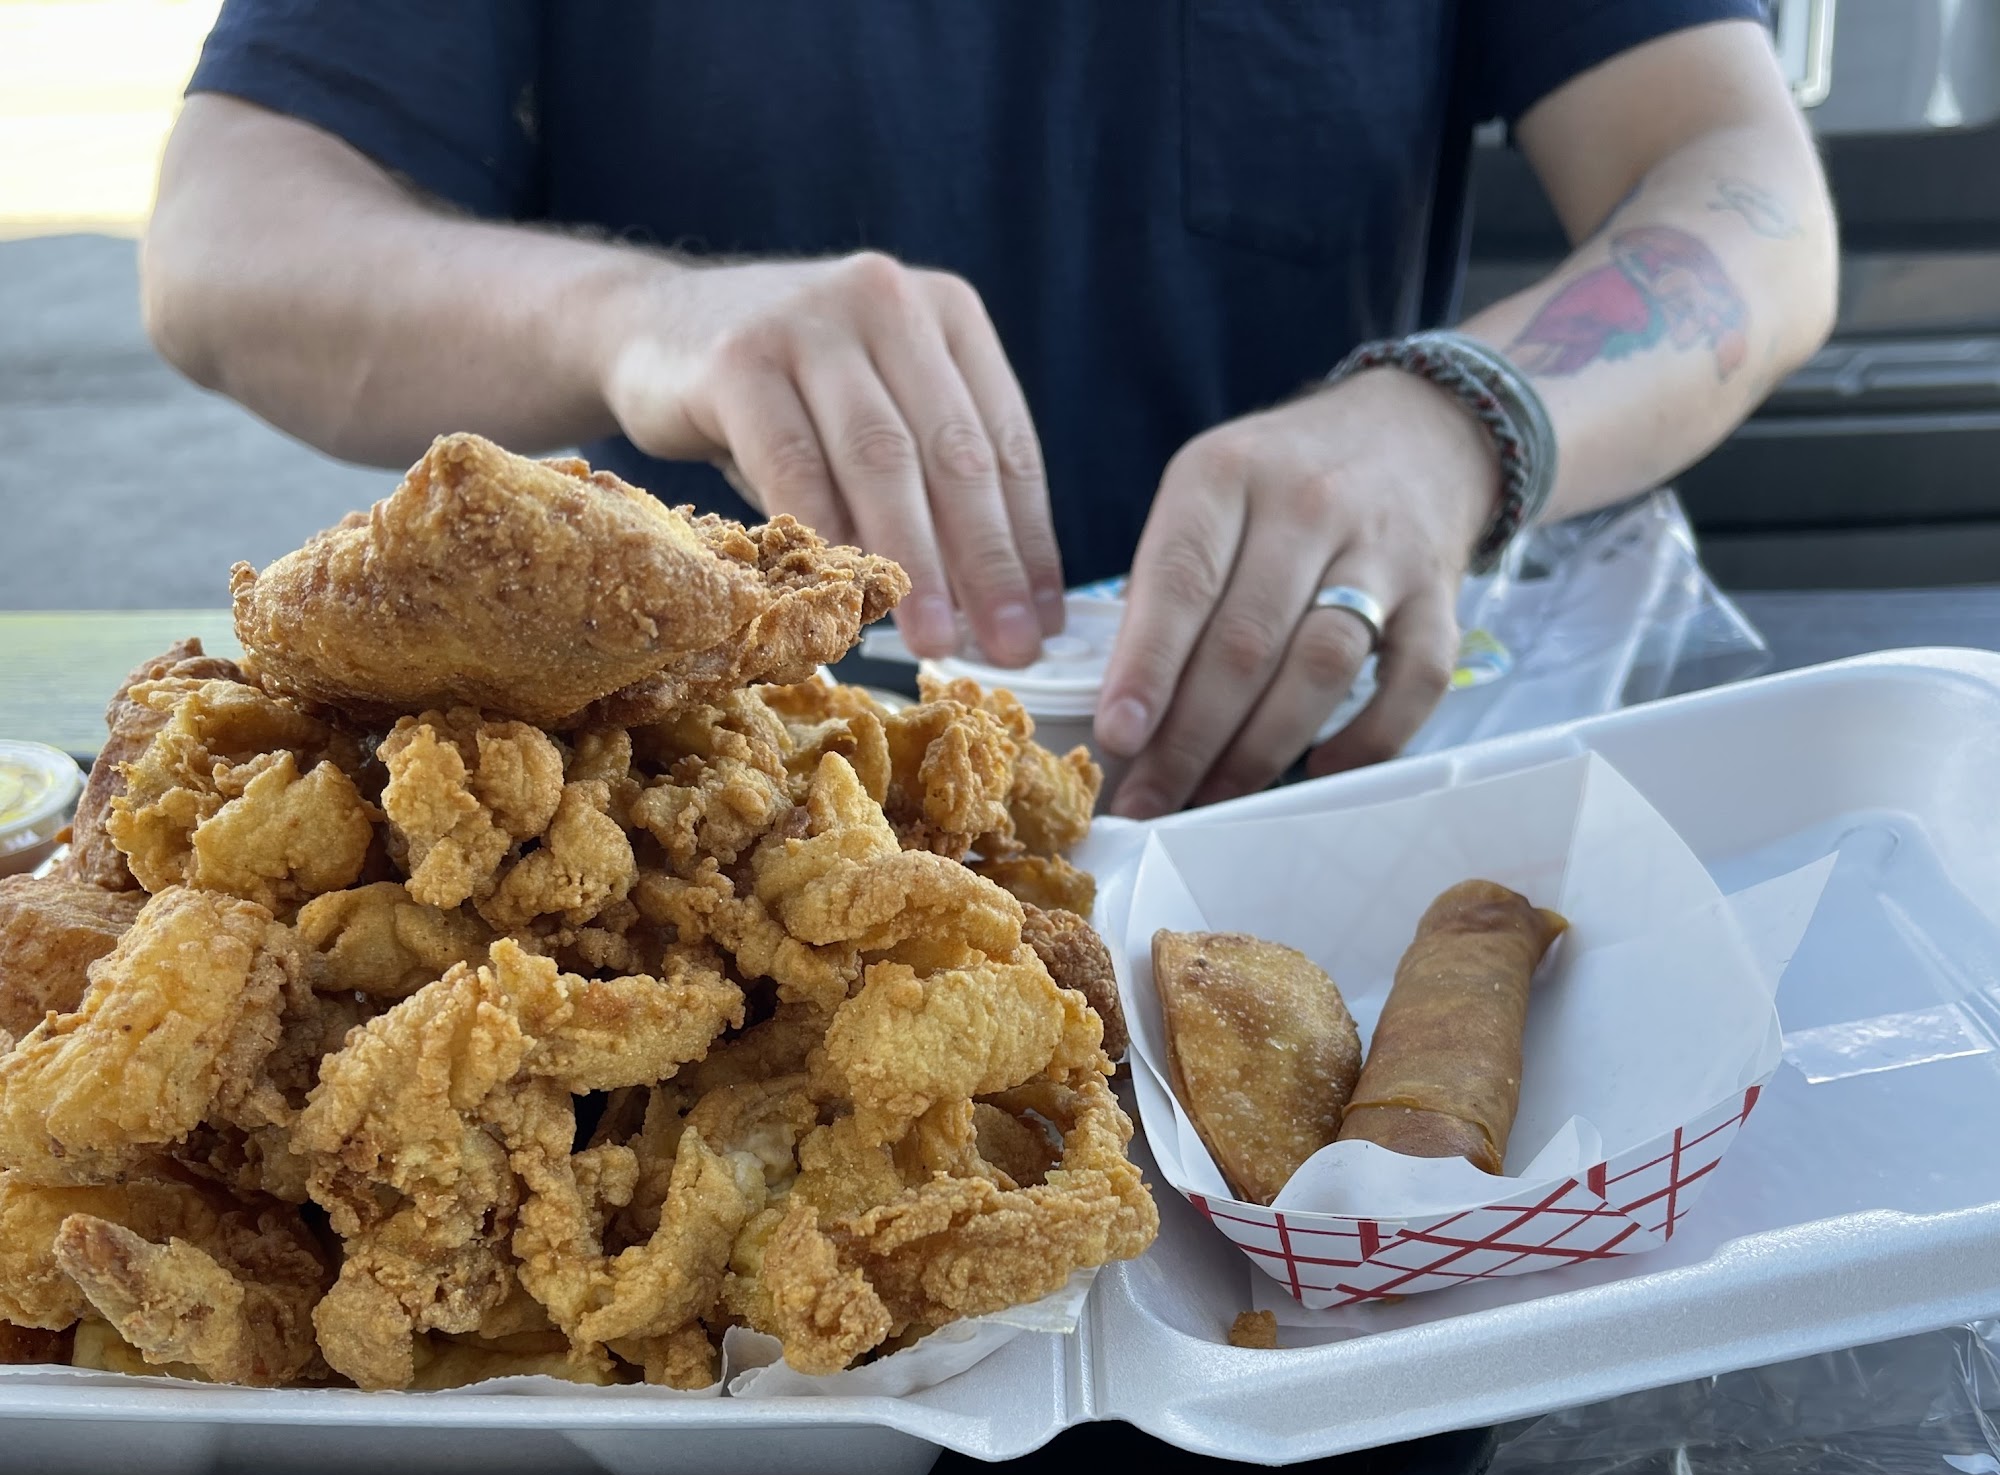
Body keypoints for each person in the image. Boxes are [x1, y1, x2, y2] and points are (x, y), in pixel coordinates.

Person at [143, 4, 1834, 816]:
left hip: (1302, 806)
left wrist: (1457, 415)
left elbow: (1739, 182)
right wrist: (638, 314)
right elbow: (228, 242)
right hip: (667, 813)